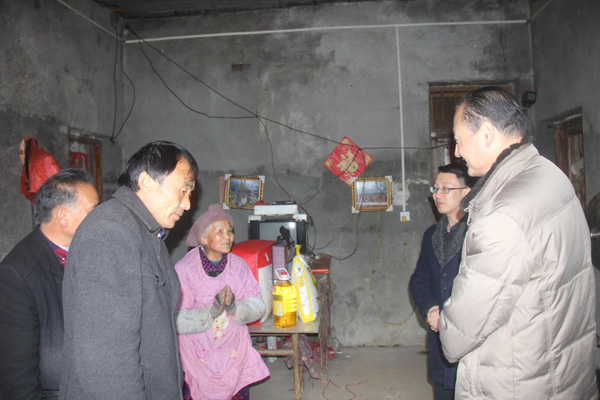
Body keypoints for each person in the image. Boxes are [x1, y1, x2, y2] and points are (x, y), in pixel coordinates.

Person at [438, 86, 597, 399]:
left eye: (458, 139)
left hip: (517, 382)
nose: (456, 152)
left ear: (487, 134)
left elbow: (457, 336)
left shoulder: (503, 216)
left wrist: (444, 321)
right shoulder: (550, 175)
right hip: (560, 370)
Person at [60, 141, 198, 399]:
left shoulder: (147, 233)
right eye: (183, 190)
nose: (187, 203)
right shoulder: (111, 232)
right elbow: (106, 362)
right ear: (146, 182)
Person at [0, 169, 98, 400]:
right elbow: (17, 376)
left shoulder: (90, 253)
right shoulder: (18, 274)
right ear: (63, 217)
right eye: (93, 211)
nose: (101, 218)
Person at [175, 204, 269, 400]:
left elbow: (259, 305)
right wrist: (212, 311)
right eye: (220, 231)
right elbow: (177, 320)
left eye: (230, 231)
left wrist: (235, 306)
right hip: (198, 356)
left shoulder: (239, 267)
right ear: (203, 239)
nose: (228, 237)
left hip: (233, 352)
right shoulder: (185, 270)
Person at [410, 163, 475, 400]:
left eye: (446, 188)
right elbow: (419, 279)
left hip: (470, 337)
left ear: (466, 193)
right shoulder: (432, 235)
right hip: (439, 335)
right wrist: (431, 309)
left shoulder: (477, 232)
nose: (438, 194)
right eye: (436, 188)